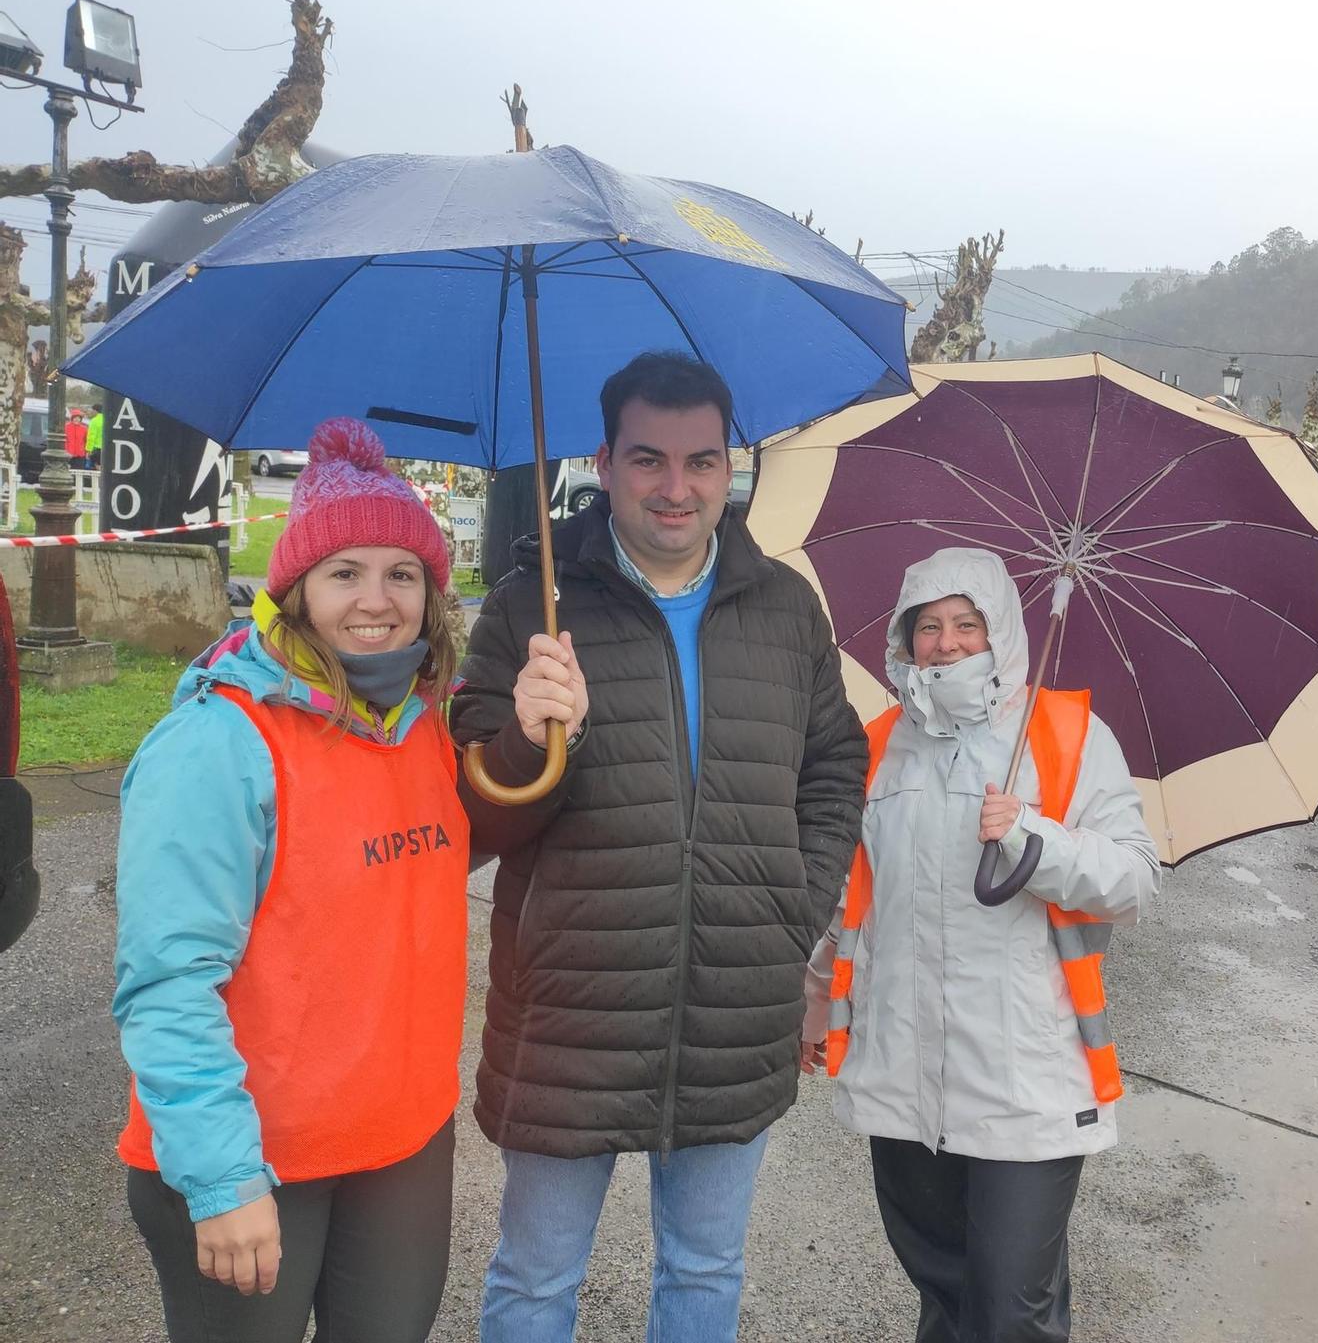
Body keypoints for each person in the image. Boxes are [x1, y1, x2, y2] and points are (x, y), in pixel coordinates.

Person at [112, 419, 588, 1343]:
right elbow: (168, 983)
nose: (378, 601)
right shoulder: (220, 742)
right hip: (253, 1160)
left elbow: (457, 839)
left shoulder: (417, 724)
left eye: (402, 574)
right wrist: (220, 1178)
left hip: (401, 1144)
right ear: (294, 591)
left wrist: (533, 735)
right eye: (346, 573)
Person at [453, 352, 868, 1343]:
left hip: (735, 998)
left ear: (731, 468)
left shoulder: (784, 609)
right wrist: (528, 733)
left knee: (704, 1267)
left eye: (701, 461)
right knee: (536, 1277)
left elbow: (833, 764)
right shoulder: (531, 607)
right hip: (573, 1006)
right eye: (647, 460)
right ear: (603, 462)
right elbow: (472, 817)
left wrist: (791, 911)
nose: (675, 488)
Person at [802, 547, 1161, 1343]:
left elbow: (1136, 880)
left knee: (1009, 1308)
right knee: (948, 1294)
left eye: (967, 623)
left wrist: (1036, 840)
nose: (947, 641)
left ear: (1000, 631)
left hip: (1022, 1087)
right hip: (902, 1078)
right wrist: (810, 1001)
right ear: (903, 640)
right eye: (927, 626)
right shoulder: (877, 744)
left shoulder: (1066, 734)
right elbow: (850, 897)